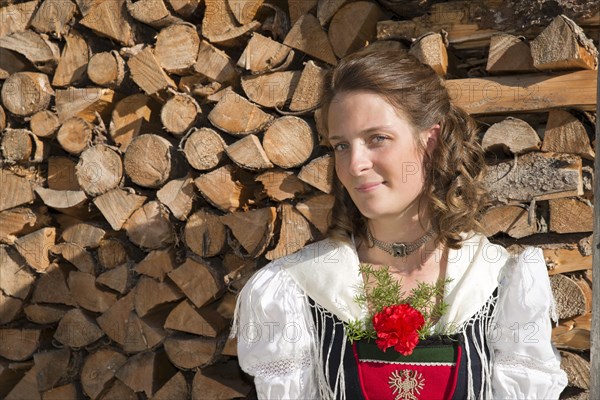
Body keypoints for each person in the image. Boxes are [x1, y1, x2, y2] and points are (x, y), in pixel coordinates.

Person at [232, 48, 568, 400]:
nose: (355, 164)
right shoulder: (298, 288)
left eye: (377, 138)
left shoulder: (497, 281)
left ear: (431, 141)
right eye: (341, 145)